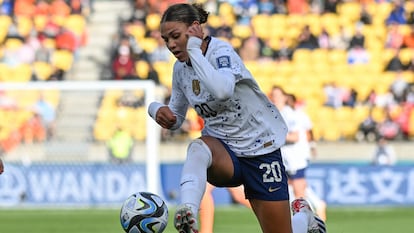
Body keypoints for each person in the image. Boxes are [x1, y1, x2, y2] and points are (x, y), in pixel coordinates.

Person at [148, 3, 326, 233]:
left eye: (175, 36)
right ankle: (188, 209)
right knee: (199, 147)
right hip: (224, 152)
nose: (171, 44)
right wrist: (156, 110)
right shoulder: (180, 69)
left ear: (195, 29)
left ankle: (304, 219)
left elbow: (223, 90)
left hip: (261, 149)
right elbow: (177, 116)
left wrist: (193, 50)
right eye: (166, 40)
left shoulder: (220, 52)